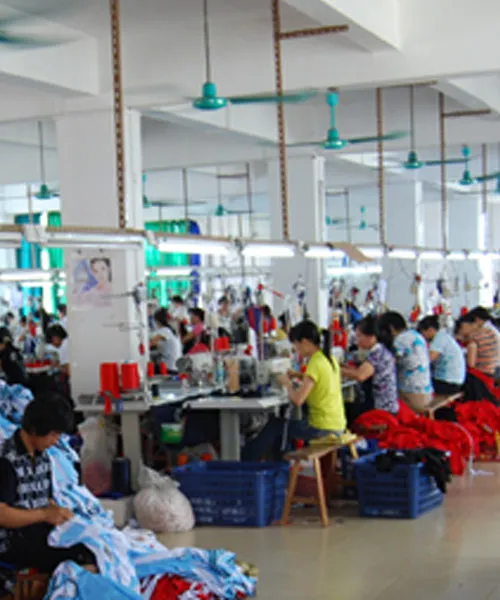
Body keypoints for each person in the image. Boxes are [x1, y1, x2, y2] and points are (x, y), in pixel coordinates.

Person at [0, 395, 96, 573]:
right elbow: (2, 515)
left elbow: (46, 500)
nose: (55, 441)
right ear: (35, 430)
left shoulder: (43, 457)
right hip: (11, 542)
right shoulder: (7, 460)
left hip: (36, 532)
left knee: (94, 546)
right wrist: (44, 514)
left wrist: (60, 514)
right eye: (53, 434)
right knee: (80, 561)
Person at [242, 320, 346, 461]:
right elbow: (320, 379)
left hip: (323, 428)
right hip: (337, 424)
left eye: (295, 345)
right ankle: (276, 463)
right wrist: (297, 375)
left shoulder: (315, 363)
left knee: (275, 425)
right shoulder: (329, 359)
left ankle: (245, 461)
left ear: (304, 342)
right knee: (285, 425)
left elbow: (298, 400)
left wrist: (287, 384)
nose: (295, 349)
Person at [341, 315, 399, 415]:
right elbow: (364, 370)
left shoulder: (378, 353)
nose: (356, 341)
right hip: (384, 406)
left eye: (359, 336)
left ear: (371, 337)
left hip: (381, 409)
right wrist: (345, 368)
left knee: (344, 410)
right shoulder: (379, 350)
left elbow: (360, 375)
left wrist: (335, 369)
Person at [378, 311, 433, 412]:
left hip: (413, 397)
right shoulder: (416, 335)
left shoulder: (401, 340)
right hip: (427, 393)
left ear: (391, 328)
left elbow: (388, 365)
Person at [418, 315, 466, 395]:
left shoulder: (439, 339)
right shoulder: (444, 336)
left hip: (448, 383)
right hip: (454, 381)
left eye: (422, 333)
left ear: (430, 330)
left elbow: (427, 360)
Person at [467, 306, 500, 378]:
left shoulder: (484, 331)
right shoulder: (491, 329)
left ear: (477, 320)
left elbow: (471, 363)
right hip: (494, 367)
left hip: (492, 369)